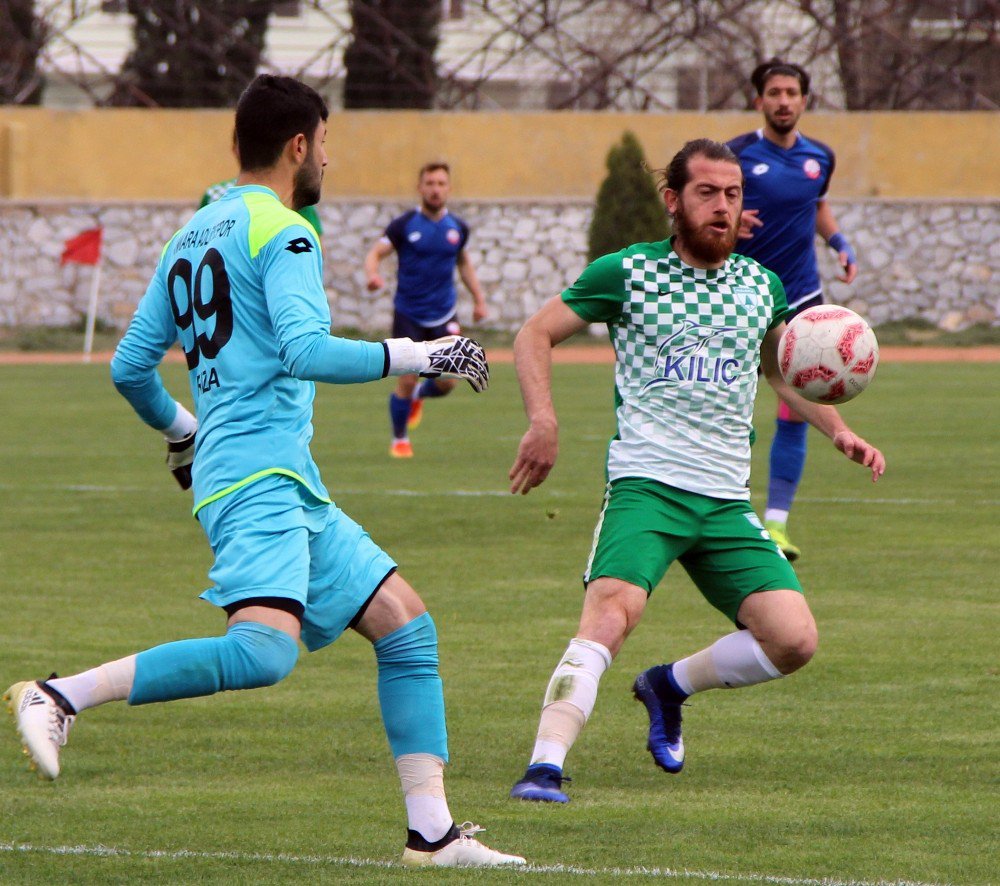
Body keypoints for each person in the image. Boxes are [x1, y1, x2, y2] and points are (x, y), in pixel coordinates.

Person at [5, 74, 522, 870]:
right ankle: (62, 694)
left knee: (407, 629)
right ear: (299, 146)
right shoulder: (283, 229)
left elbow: (130, 367)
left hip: (275, 479)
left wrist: (186, 430)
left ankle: (432, 834)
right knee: (262, 654)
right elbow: (303, 351)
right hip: (258, 482)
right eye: (326, 143)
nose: (330, 160)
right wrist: (428, 352)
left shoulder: (193, 233)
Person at [506, 139, 884, 803]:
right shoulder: (628, 272)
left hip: (725, 502)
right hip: (648, 487)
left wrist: (840, 429)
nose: (724, 206)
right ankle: (544, 764)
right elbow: (534, 334)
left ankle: (668, 685)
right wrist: (543, 421)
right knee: (611, 616)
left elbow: (781, 371)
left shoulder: (761, 286)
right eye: (708, 192)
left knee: (793, 639)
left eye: (734, 194)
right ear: (673, 200)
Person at [727, 60, 858, 561]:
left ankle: (777, 526)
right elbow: (705, 207)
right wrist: (731, 219)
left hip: (802, 299)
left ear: (805, 100)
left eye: (792, 92)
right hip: (741, 299)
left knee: (796, 408)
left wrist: (839, 241)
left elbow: (817, 205)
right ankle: (723, 511)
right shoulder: (735, 155)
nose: (784, 101)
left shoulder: (819, 157)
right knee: (730, 406)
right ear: (758, 99)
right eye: (774, 92)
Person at [364, 162, 489, 459]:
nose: (435, 189)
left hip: (444, 313)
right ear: (420, 188)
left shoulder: (458, 228)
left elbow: (463, 263)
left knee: (447, 382)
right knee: (407, 378)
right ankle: (399, 439)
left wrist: (479, 299)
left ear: (449, 188)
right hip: (408, 313)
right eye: (430, 183)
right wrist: (372, 274)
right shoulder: (404, 225)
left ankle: (421, 395)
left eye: (441, 183)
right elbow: (375, 253)